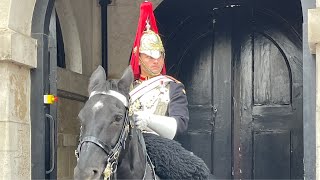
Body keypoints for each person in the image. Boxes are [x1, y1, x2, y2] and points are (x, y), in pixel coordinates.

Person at [129, 1, 210, 179]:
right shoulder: (128, 88)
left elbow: (179, 125)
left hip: (162, 148)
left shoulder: (172, 86)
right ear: (139, 57)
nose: (155, 61)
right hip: (130, 150)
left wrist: (148, 120)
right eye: (149, 56)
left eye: (159, 56)